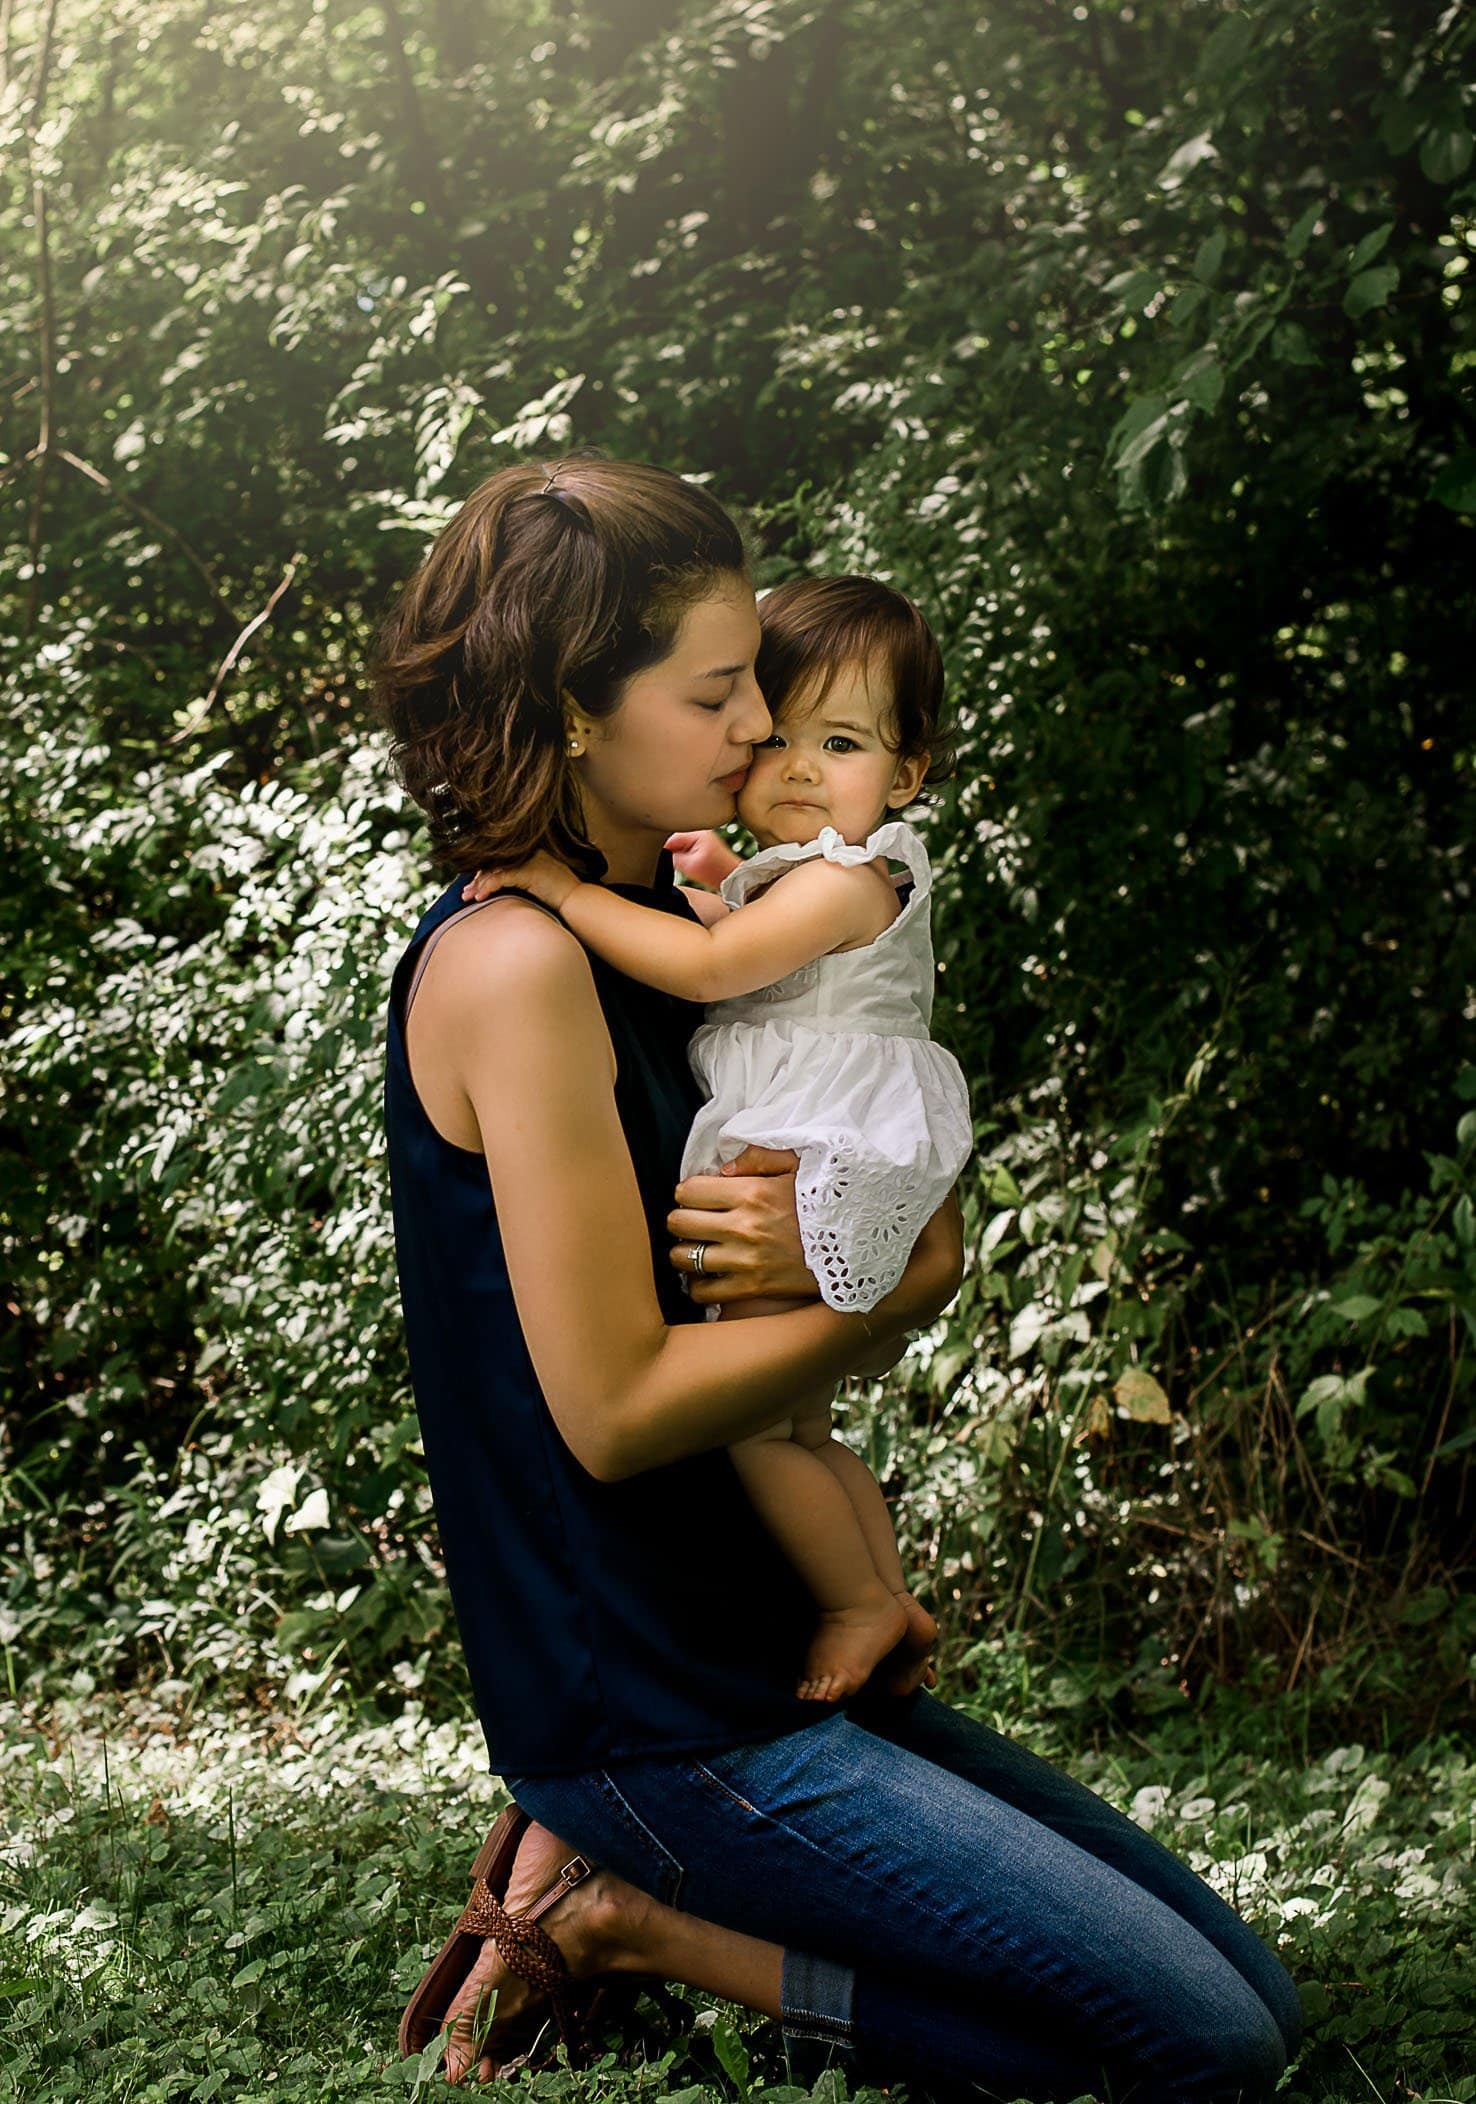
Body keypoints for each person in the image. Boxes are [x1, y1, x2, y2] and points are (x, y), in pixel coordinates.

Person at [374, 453, 1303, 2100]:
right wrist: (898, 1285)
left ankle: (631, 1883)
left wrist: (861, 1265)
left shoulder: (688, 925)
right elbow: (614, 1409)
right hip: (655, 1708)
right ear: (572, 708)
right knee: (1206, 2046)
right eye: (716, 691)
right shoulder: (518, 962)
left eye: (761, 680)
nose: (761, 724)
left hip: (769, 1647)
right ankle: (626, 1918)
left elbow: (778, 1278)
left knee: (1259, 2000)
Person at [456, 575, 973, 1707]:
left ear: (906, 775)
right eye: (777, 735)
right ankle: (886, 1597)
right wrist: (707, 885)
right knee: (804, 1427)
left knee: (761, 1437)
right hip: (833, 1139)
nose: (795, 765)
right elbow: (741, 943)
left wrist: (561, 892)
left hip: (821, 1146)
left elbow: (710, 970)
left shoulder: (845, 881)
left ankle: (857, 1602)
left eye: (839, 743)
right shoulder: (810, 881)